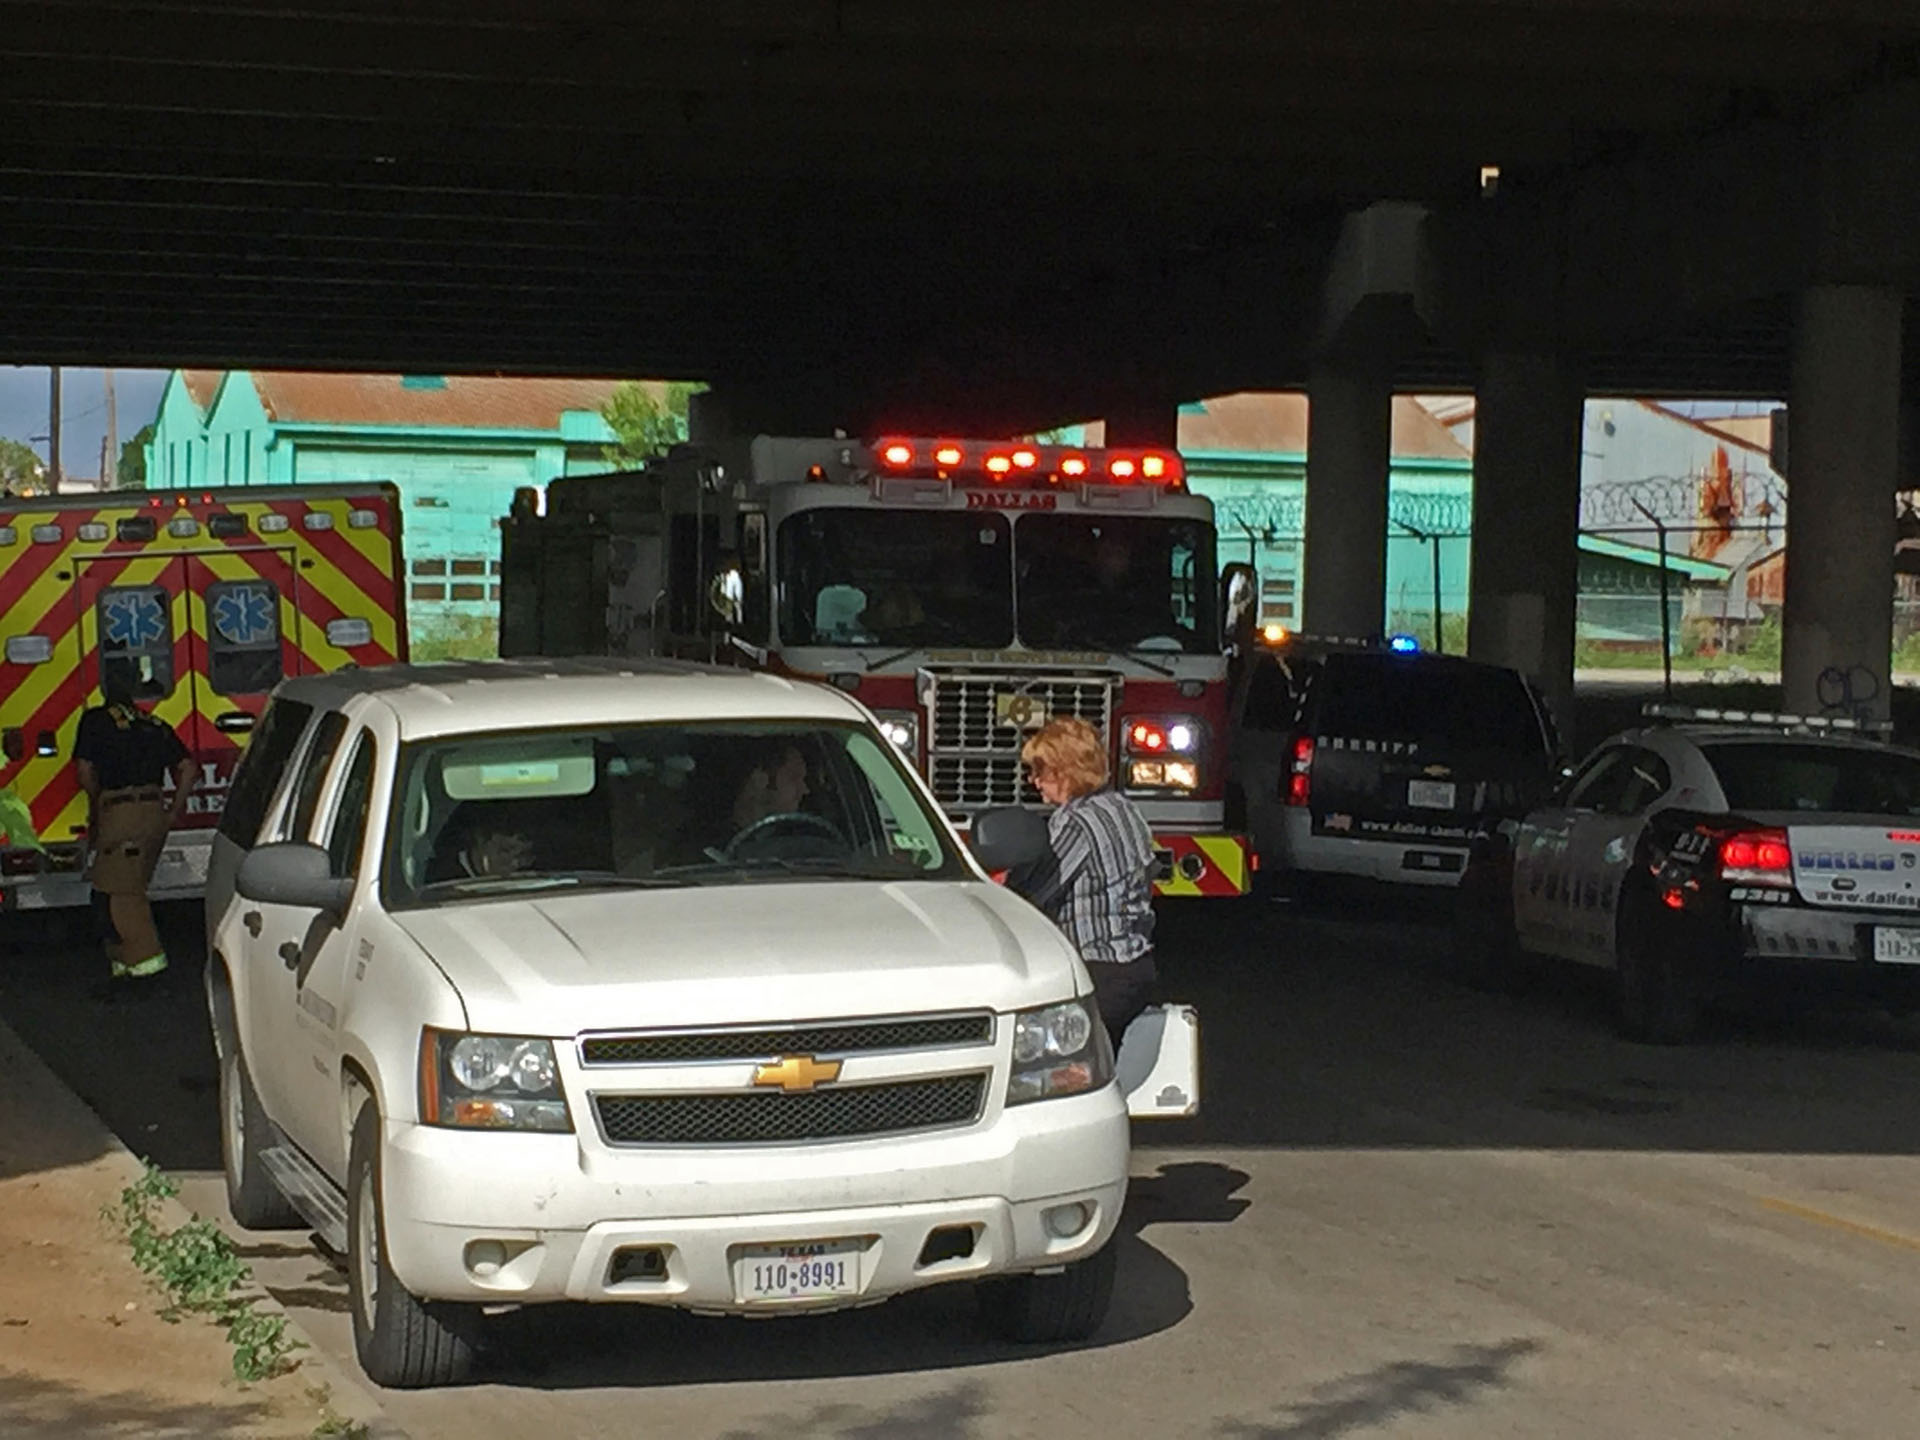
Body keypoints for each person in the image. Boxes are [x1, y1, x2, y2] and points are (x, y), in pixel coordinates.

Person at [1008, 716, 1157, 1044]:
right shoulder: (1123, 808)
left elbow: (1034, 895)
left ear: (1065, 771)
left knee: (1054, 1069)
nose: (1033, 781)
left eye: (1039, 771)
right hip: (1135, 965)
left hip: (1097, 971)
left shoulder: (1077, 822)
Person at [72, 679, 197, 983]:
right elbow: (189, 768)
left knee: (122, 895)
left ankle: (147, 968)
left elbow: (85, 769)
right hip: (153, 812)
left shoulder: (95, 720)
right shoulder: (153, 723)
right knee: (108, 889)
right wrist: (171, 812)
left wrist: (97, 801)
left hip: (120, 812)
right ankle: (123, 965)